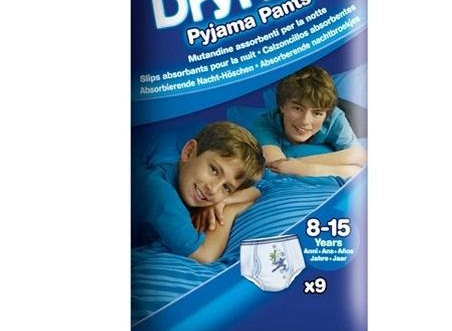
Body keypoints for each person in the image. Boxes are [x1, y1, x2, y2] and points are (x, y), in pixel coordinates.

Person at [131, 121, 265, 264]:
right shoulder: (158, 192)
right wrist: (230, 211)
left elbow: (254, 191)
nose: (213, 189)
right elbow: (204, 255)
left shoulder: (188, 183)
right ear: (189, 152)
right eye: (213, 170)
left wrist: (223, 201)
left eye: (226, 187)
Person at [252, 65, 367, 178]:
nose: (305, 121)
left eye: (317, 113)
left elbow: (361, 158)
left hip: (349, 114)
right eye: (297, 109)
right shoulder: (265, 124)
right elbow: (277, 166)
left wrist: (303, 167)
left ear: (326, 115)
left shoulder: (335, 118)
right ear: (282, 106)